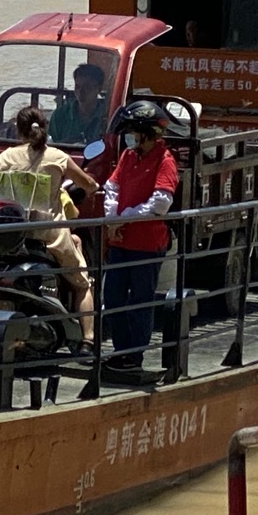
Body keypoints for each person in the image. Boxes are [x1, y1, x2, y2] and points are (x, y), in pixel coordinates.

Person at [0, 104, 100, 339]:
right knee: (83, 283)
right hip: (48, 235)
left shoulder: (4, 157)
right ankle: (88, 338)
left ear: (18, 130)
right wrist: (92, 187)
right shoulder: (58, 158)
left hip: (11, 235)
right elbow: (88, 184)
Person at [95, 97, 182, 379]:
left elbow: (161, 202)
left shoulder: (165, 161)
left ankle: (134, 355)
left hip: (146, 246)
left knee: (141, 302)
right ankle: (121, 352)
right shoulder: (129, 157)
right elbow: (112, 186)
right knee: (113, 297)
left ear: (147, 134)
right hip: (120, 242)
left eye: (135, 133)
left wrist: (126, 217)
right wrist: (112, 218)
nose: (131, 139)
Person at [47, 61, 113, 158]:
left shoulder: (109, 115)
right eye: (77, 86)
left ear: (98, 89)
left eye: (87, 87)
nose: (81, 92)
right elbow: (50, 148)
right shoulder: (60, 115)